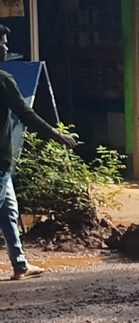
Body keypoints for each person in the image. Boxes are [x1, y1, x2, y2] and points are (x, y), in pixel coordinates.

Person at [0, 25, 77, 280]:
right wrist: (59, 136)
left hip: (4, 166)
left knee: (10, 211)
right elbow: (27, 116)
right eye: (3, 43)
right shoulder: (4, 80)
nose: (6, 48)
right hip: (0, 163)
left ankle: (20, 264)